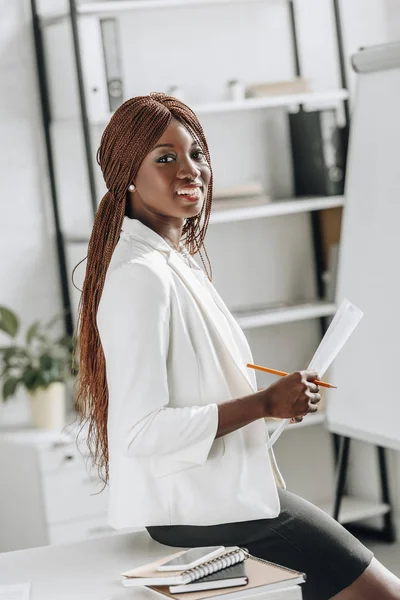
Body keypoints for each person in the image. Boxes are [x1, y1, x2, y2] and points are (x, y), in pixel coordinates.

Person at [73, 93, 400, 600]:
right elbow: (140, 431)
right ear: (127, 176)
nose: (191, 170)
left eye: (196, 154)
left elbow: (196, 391)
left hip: (221, 498)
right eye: (165, 158)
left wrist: (273, 405)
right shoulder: (141, 277)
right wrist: (264, 403)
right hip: (203, 511)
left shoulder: (175, 261)